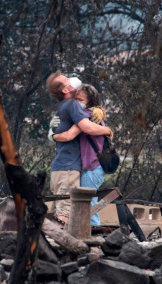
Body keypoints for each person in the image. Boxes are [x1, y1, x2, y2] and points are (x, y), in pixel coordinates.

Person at [46, 71, 112, 224]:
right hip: (70, 168)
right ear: (65, 90)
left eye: (81, 100)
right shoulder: (72, 107)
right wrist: (108, 130)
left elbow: (75, 131)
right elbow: (76, 131)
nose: (70, 79)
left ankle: (86, 235)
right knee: (71, 209)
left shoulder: (75, 109)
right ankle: (76, 240)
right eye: (66, 79)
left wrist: (103, 121)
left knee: (80, 206)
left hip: (83, 167)